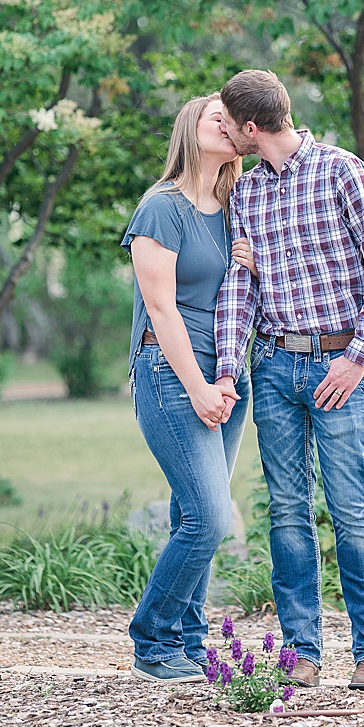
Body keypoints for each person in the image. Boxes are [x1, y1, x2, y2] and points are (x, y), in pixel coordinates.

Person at [212, 69, 364, 690]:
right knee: (289, 513)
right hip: (273, 367)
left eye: (228, 123)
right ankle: (303, 651)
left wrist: (359, 357)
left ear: (250, 127)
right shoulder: (247, 192)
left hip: (337, 365)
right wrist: (227, 366)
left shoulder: (342, 170)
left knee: (350, 508)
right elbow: (241, 286)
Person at [124, 94, 256, 682]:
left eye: (232, 120)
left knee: (191, 516)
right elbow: (161, 308)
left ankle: (192, 641)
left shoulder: (233, 208)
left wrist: (252, 260)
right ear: (190, 129)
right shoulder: (161, 208)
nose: (226, 124)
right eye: (214, 117)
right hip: (173, 374)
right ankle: (153, 639)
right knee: (210, 517)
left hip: (229, 374)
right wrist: (198, 386)